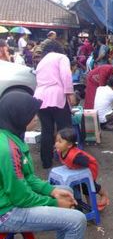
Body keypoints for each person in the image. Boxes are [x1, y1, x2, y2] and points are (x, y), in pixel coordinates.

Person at [0, 91, 87, 239]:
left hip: (11, 199)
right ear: (18, 116)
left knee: (65, 190)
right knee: (77, 221)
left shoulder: (11, 137)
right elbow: (21, 198)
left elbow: (28, 178)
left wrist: (52, 191)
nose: (36, 117)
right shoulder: (7, 149)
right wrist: (54, 202)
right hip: (6, 213)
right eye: (31, 114)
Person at [34, 40, 76, 169]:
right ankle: (69, 160)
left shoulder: (41, 62)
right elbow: (66, 76)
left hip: (40, 98)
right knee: (65, 129)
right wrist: (70, 94)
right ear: (59, 48)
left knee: (47, 130)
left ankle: (46, 162)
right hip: (56, 96)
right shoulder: (61, 57)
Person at [55, 128, 109, 210]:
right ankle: (91, 205)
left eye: (60, 142)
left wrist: (77, 169)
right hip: (78, 170)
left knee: (89, 186)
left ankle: (103, 194)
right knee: (82, 186)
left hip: (90, 169)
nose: (56, 144)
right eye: (56, 141)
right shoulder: (60, 151)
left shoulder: (76, 157)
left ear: (69, 145)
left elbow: (86, 162)